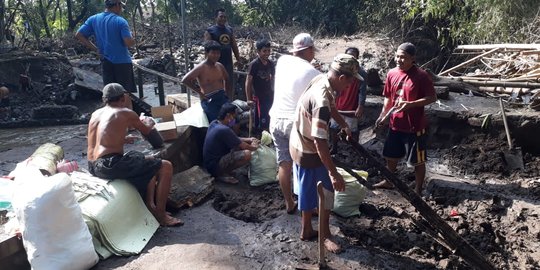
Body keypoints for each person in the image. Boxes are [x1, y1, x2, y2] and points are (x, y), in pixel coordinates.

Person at [269, 33, 351, 214]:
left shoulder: (282, 61)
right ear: (309, 50)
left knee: (284, 163)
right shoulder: (315, 74)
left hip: (275, 118)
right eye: (313, 50)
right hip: (294, 123)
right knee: (304, 168)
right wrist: (333, 172)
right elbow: (324, 111)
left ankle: (290, 203)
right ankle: (307, 206)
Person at [290, 53, 361, 253]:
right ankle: (325, 234)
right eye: (348, 84)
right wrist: (333, 173)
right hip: (309, 148)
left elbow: (332, 108)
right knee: (327, 191)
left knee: (306, 187)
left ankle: (306, 229)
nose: (348, 88)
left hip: (298, 141)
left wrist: (343, 123)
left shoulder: (322, 78)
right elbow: (320, 141)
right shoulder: (321, 101)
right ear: (341, 78)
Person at [87, 83, 182, 227]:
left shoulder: (95, 113)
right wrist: (149, 122)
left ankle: (151, 206)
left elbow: (99, 139)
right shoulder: (125, 112)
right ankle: (162, 216)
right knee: (165, 166)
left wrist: (122, 138)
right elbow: (147, 130)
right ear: (123, 98)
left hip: (93, 165)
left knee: (145, 159)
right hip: (110, 165)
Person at [373, 42, 437, 194]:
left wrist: (411, 104)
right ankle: (389, 181)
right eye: (397, 56)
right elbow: (388, 98)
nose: (399, 60)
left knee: (417, 160)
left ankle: (418, 188)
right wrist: (383, 115)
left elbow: (432, 98)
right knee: (390, 155)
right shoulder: (391, 74)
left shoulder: (421, 76)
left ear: (412, 59)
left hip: (414, 126)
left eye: (403, 57)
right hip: (396, 123)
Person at [75, 0, 135, 109]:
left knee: (110, 95)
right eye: (121, 6)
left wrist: (96, 49)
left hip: (106, 61)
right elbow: (128, 42)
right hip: (122, 63)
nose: (121, 9)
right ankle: (129, 123)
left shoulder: (94, 19)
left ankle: (111, 121)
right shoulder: (120, 21)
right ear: (117, 5)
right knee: (125, 94)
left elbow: (79, 35)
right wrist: (133, 39)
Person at [203, 103, 260, 184]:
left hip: (209, 163)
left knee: (236, 147)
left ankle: (222, 171)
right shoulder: (224, 130)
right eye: (234, 116)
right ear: (228, 116)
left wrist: (249, 139)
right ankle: (221, 174)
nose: (234, 119)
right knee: (247, 154)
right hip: (214, 165)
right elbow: (244, 146)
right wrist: (254, 147)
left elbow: (233, 138)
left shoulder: (214, 123)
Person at [329, 47, 367, 151]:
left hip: (352, 104)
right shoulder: (337, 74)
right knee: (333, 127)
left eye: (353, 56)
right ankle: (334, 147)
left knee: (353, 129)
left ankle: (354, 150)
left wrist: (360, 105)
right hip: (338, 104)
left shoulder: (361, 73)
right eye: (349, 55)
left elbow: (362, 91)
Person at [182, 40, 230, 123]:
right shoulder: (201, 67)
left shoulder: (220, 66)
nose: (216, 55)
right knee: (216, 122)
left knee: (232, 119)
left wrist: (226, 92)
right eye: (213, 53)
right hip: (209, 98)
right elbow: (185, 80)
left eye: (218, 53)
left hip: (222, 96)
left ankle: (232, 135)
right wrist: (199, 92)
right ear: (207, 53)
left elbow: (227, 78)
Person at [204, 8, 240, 100]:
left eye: (225, 17)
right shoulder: (210, 31)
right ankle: (216, 102)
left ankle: (229, 103)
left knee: (229, 84)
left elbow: (234, 45)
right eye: (221, 16)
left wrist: (238, 59)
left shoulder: (229, 30)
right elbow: (207, 48)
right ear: (216, 18)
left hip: (228, 62)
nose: (223, 18)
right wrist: (207, 63)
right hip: (215, 63)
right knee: (216, 84)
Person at [245, 38, 275, 131]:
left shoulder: (270, 63)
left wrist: (274, 91)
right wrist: (248, 99)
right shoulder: (254, 64)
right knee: (261, 116)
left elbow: (273, 78)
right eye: (264, 51)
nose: (267, 53)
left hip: (269, 94)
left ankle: (266, 133)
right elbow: (248, 82)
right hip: (259, 96)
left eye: (268, 51)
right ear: (258, 51)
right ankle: (260, 135)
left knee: (269, 115)